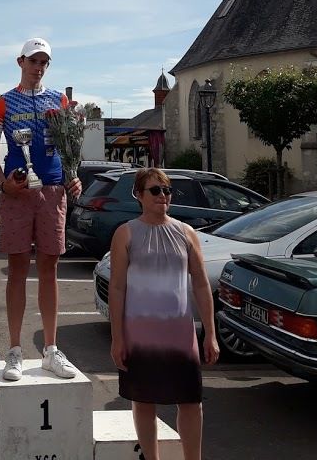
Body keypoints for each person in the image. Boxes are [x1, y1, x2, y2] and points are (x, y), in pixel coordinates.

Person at [0, 37, 82, 380]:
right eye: (33, 61)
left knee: (49, 269)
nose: (38, 68)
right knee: (16, 270)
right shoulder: (2, 103)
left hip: (53, 192)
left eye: (44, 62)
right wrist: (3, 184)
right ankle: (14, 351)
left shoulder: (60, 100)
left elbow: (70, 147)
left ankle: (51, 351)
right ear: (20, 62)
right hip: (18, 191)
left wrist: (73, 175)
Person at [108, 168, 219, 460]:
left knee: (191, 401)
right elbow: (117, 288)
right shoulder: (126, 233)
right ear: (139, 195)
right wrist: (117, 338)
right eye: (155, 190)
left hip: (181, 335)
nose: (162, 196)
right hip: (140, 335)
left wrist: (210, 333)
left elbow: (201, 282)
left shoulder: (186, 232)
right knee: (144, 400)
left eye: (167, 190)